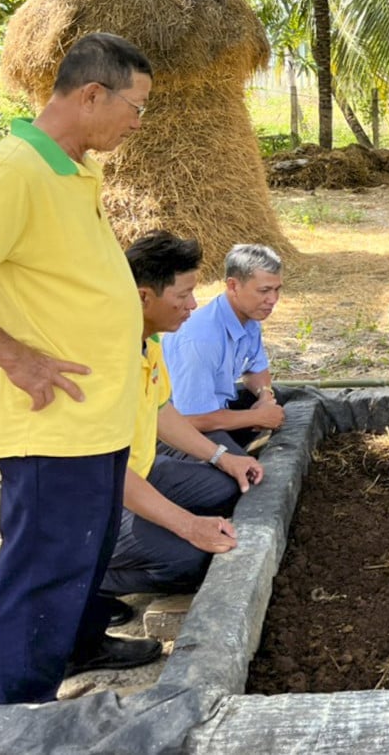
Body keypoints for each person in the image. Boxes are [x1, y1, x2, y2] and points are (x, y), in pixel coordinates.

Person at [0, 33, 160, 704]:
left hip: (97, 418)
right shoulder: (16, 170)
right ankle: (20, 714)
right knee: (45, 568)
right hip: (54, 425)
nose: (137, 123)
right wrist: (17, 358)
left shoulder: (71, 169)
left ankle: (82, 640)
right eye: (135, 107)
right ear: (91, 95)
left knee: (85, 551)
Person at [99, 232, 265, 617]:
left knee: (228, 487)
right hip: (98, 495)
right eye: (182, 296)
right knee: (190, 560)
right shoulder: (105, 360)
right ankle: (89, 577)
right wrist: (188, 525)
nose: (192, 305)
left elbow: (162, 412)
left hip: (142, 469)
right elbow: (107, 472)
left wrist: (225, 458)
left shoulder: (148, 342)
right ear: (143, 296)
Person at [162, 244, 290, 450]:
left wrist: (265, 396)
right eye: (264, 291)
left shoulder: (249, 317)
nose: (273, 300)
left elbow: (256, 369)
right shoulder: (201, 340)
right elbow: (191, 418)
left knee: (288, 399)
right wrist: (255, 417)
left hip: (214, 410)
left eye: (277, 289)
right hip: (177, 432)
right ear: (233, 286)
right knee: (246, 474)